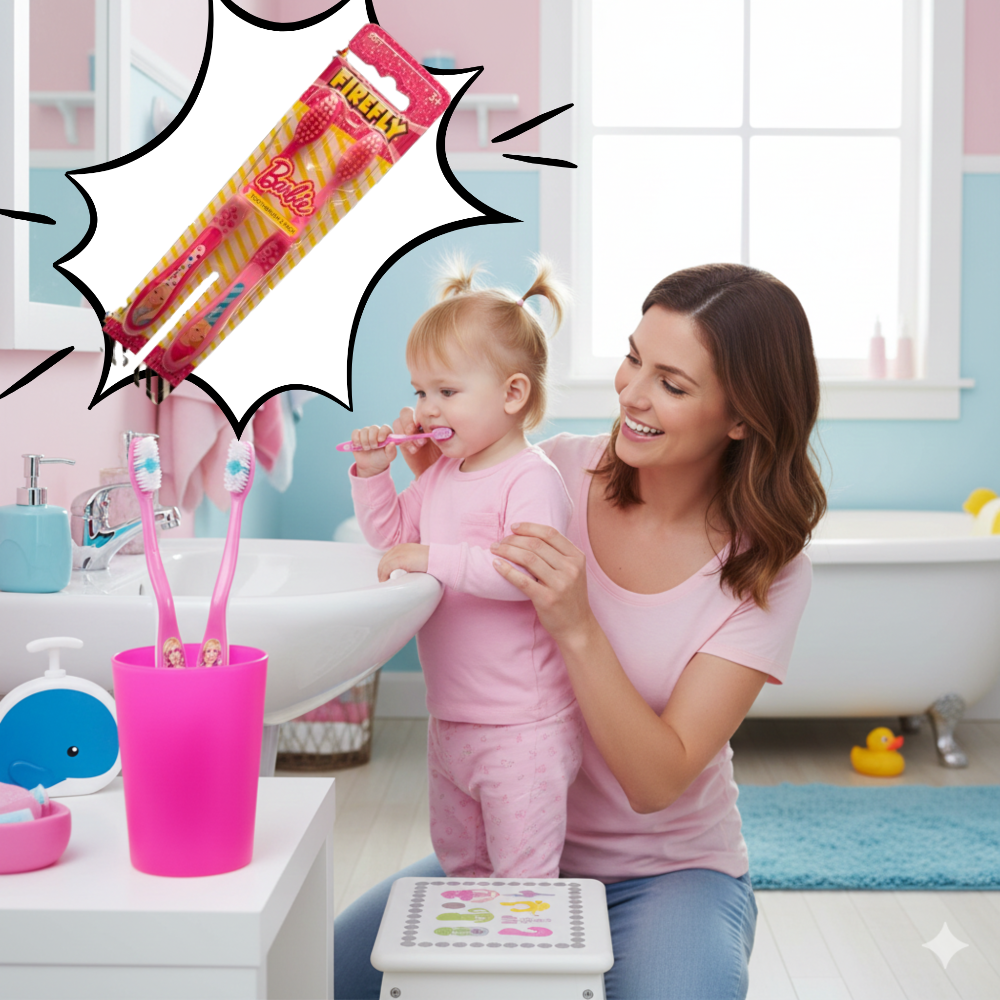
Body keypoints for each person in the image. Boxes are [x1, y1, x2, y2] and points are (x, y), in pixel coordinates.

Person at [335, 263, 826, 1000]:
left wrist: (576, 624)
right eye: (633, 358)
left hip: (665, 872)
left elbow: (656, 781)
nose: (632, 393)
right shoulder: (548, 470)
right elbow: (426, 548)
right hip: (516, 850)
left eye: (672, 384)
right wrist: (433, 477)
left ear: (741, 417)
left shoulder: (765, 569)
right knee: (325, 974)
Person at [346, 257, 584, 880]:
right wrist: (374, 474)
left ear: (513, 394)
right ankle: (472, 947)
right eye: (419, 392)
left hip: (520, 726)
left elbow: (521, 574)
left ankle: (523, 949)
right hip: (451, 717)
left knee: (523, 877)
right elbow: (392, 538)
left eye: (446, 392)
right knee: (461, 867)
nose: (426, 410)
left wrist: (432, 558)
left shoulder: (531, 479)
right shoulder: (444, 475)